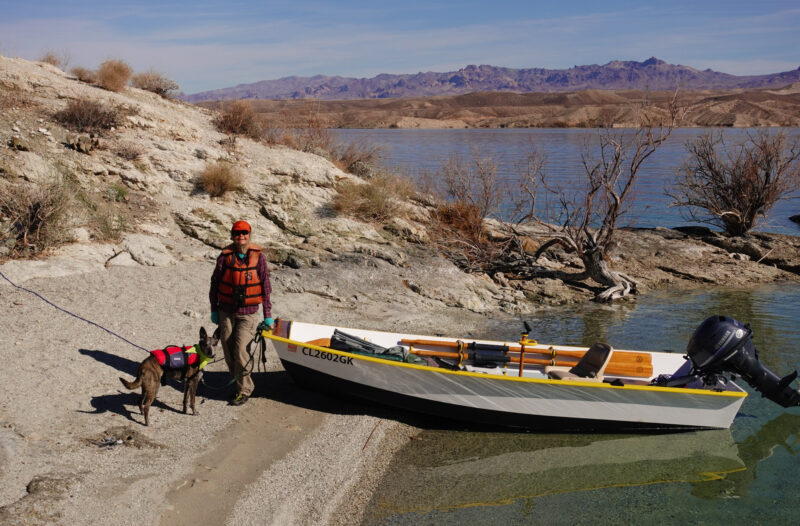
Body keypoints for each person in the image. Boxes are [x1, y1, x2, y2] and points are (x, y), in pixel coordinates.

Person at [209, 220, 273, 406]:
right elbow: (214, 285)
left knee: (240, 351)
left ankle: (245, 389)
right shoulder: (224, 257)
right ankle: (238, 386)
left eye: (244, 233)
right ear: (232, 235)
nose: (241, 236)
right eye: (237, 233)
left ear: (249, 234)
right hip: (226, 312)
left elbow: (266, 288)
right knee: (229, 353)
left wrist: (267, 314)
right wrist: (214, 310)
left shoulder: (259, 258)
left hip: (248, 313)